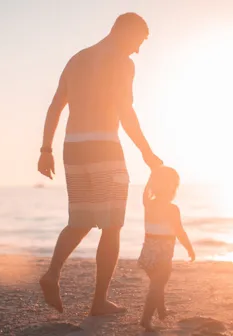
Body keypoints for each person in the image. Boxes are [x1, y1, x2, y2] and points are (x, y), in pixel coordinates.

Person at [37, 12, 163, 316]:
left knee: (80, 221)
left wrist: (45, 149)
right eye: (138, 41)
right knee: (112, 225)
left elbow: (56, 105)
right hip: (105, 147)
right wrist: (147, 152)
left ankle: (52, 273)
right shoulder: (122, 63)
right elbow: (125, 113)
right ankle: (98, 303)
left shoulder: (77, 59)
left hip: (73, 149)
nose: (137, 50)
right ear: (124, 32)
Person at [138, 166, 195, 331]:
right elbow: (180, 232)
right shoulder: (172, 209)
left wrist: (151, 176)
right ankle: (146, 319)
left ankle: (162, 311)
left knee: (158, 283)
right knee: (157, 285)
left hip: (147, 253)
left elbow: (145, 192)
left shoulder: (148, 204)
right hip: (162, 254)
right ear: (173, 189)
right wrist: (189, 249)